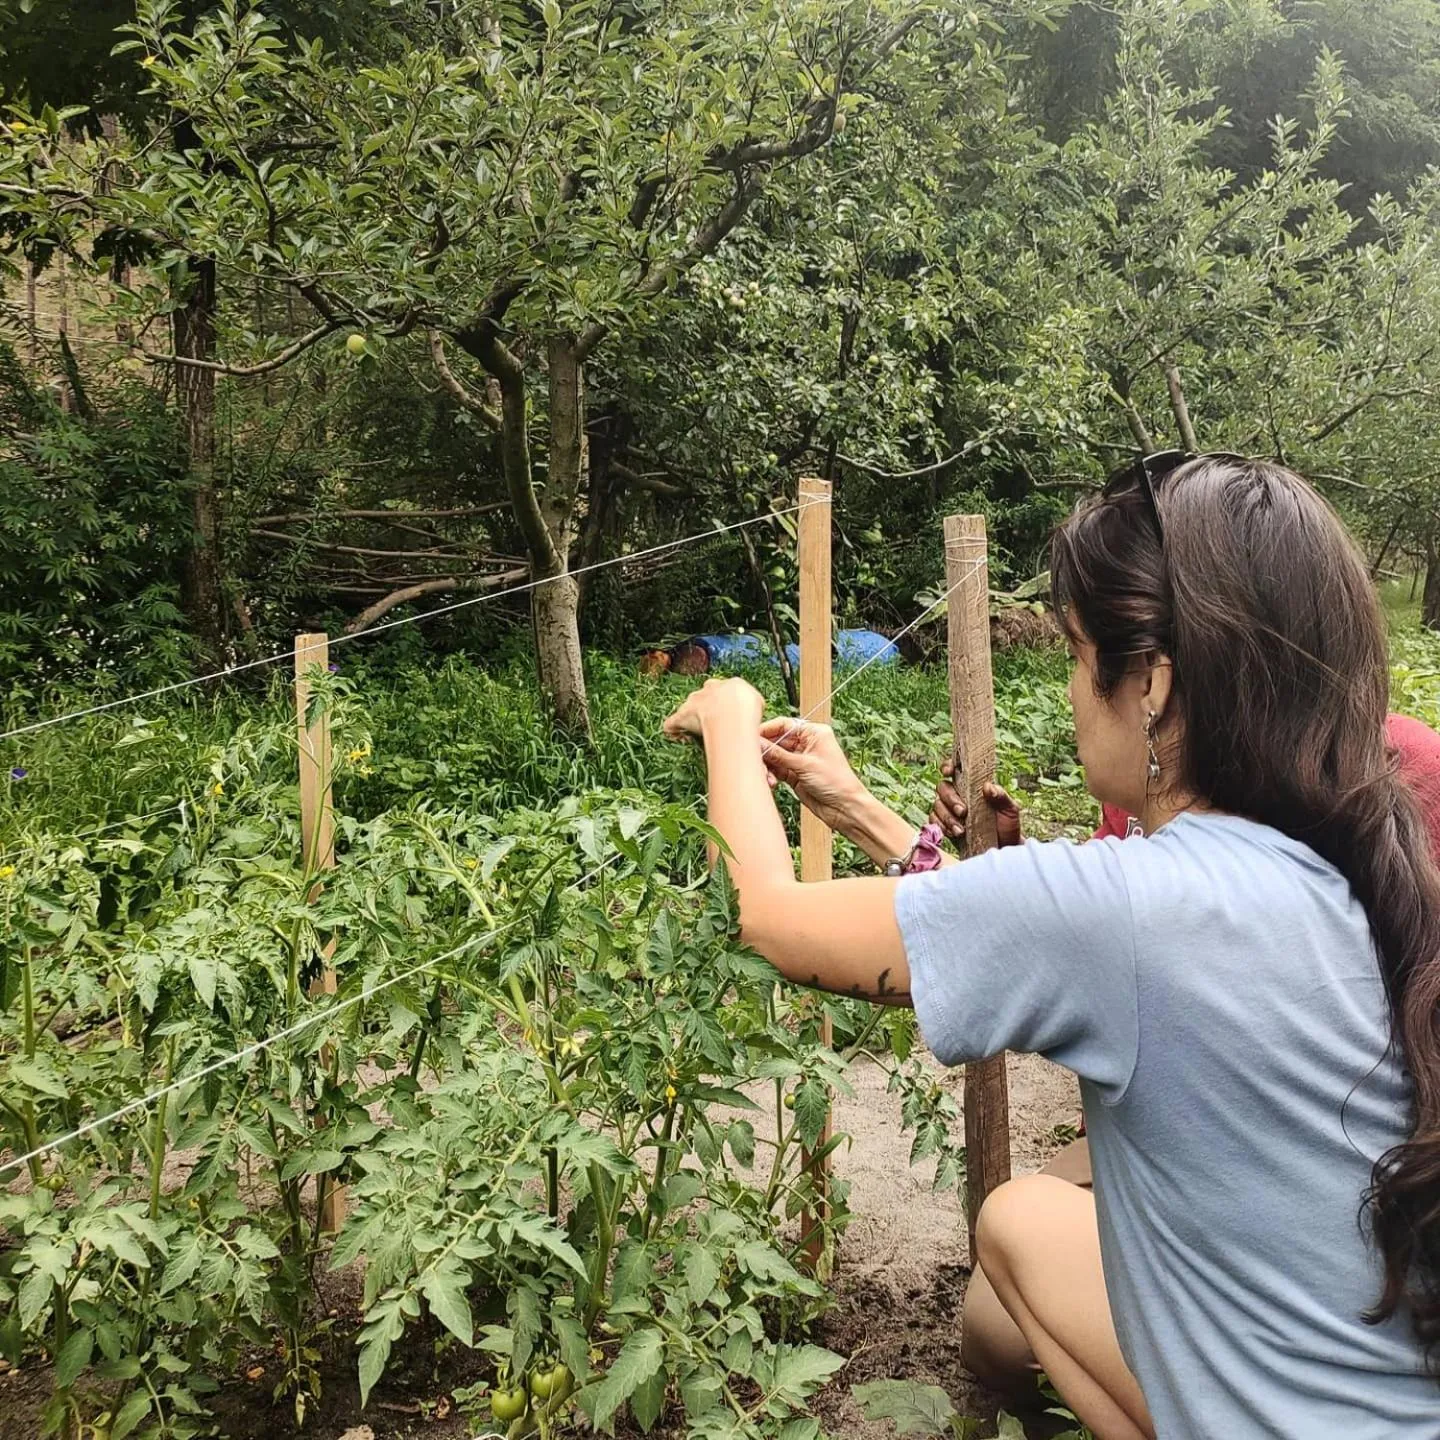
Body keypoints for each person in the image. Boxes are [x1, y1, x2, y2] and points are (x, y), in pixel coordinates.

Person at [663, 453, 1440, 1439]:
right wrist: (856, 803)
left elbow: (772, 920)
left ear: (1151, 682)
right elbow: (1023, 928)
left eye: (1076, 655)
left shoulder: (1131, 905)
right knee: (1021, 1220)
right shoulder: (1350, 874)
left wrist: (727, 716)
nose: (1072, 690)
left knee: (1022, 1230)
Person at [929, 712, 1440, 1398]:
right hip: (1173, 1134)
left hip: (1348, 1147)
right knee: (998, 1328)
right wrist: (1013, 879)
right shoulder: (1152, 761)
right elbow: (1118, 969)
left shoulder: (1411, 767)